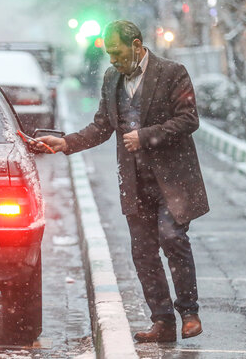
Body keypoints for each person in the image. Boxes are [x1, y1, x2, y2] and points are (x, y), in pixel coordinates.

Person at [32, 20, 209, 343]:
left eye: (116, 52)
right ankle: (163, 322)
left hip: (172, 179)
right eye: (108, 53)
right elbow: (102, 126)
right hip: (135, 182)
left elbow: (188, 119)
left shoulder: (172, 72)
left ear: (138, 46)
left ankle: (189, 311)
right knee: (142, 252)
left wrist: (146, 136)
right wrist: (66, 143)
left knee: (172, 238)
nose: (111, 59)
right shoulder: (112, 78)